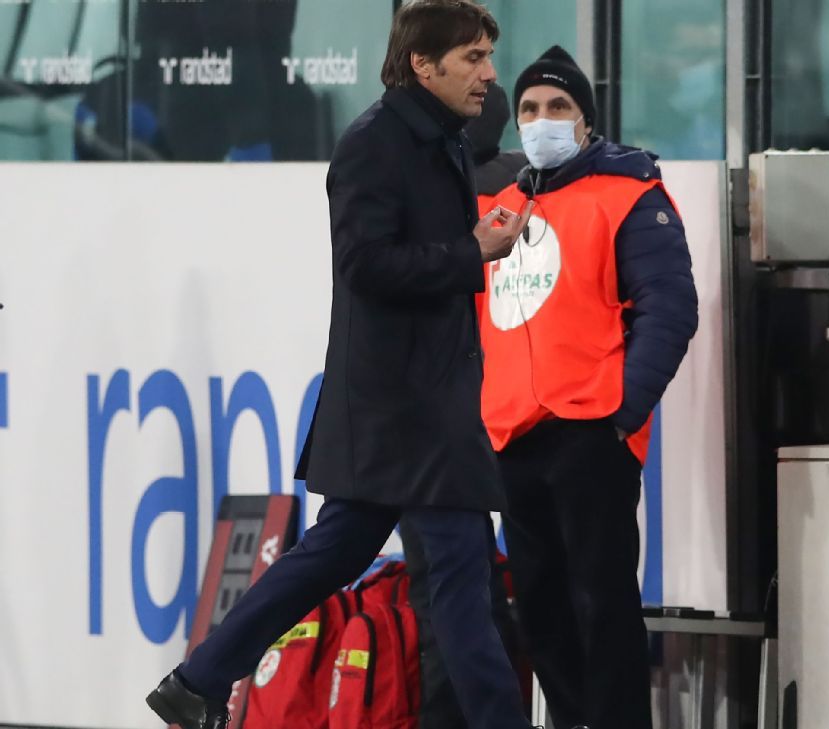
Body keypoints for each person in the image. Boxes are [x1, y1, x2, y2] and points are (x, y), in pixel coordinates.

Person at [144, 3, 536, 729]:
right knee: (459, 579)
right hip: (404, 407)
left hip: (418, 401)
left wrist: (471, 246)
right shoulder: (374, 145)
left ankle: (196, 678)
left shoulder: (438, 140)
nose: (489, 74)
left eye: (487, 57)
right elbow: (364, 264)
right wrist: (470, 251)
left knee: (338, 554)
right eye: (474, 58)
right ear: (425, 64)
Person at [479, 46, 699, 729]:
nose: (540, 121)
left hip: (590, 432)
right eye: (528, 110)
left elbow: (669, 309)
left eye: (557, 108)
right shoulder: (501, 208)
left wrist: (619, 412)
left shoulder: (630, 193)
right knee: (539, 607)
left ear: (585, 120)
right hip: (512, 436)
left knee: (601, 604)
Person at [399, 80, 530, 729]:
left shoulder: (434, 193)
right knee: (482, 591)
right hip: (520, 413)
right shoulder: (531, 190)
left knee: (444, 589)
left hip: (443, 416)